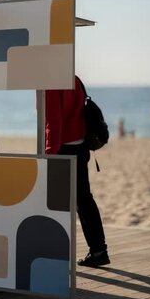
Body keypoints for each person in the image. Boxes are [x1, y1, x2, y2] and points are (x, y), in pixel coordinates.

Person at [45, 75, 109, 268]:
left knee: (55, 202)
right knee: (84, 199)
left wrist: (49, 153)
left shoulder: (52, 81)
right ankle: (99, 250)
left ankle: (53, 255)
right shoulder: (74, 78)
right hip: (80, 147)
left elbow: (53, 121)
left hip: (63, 149)